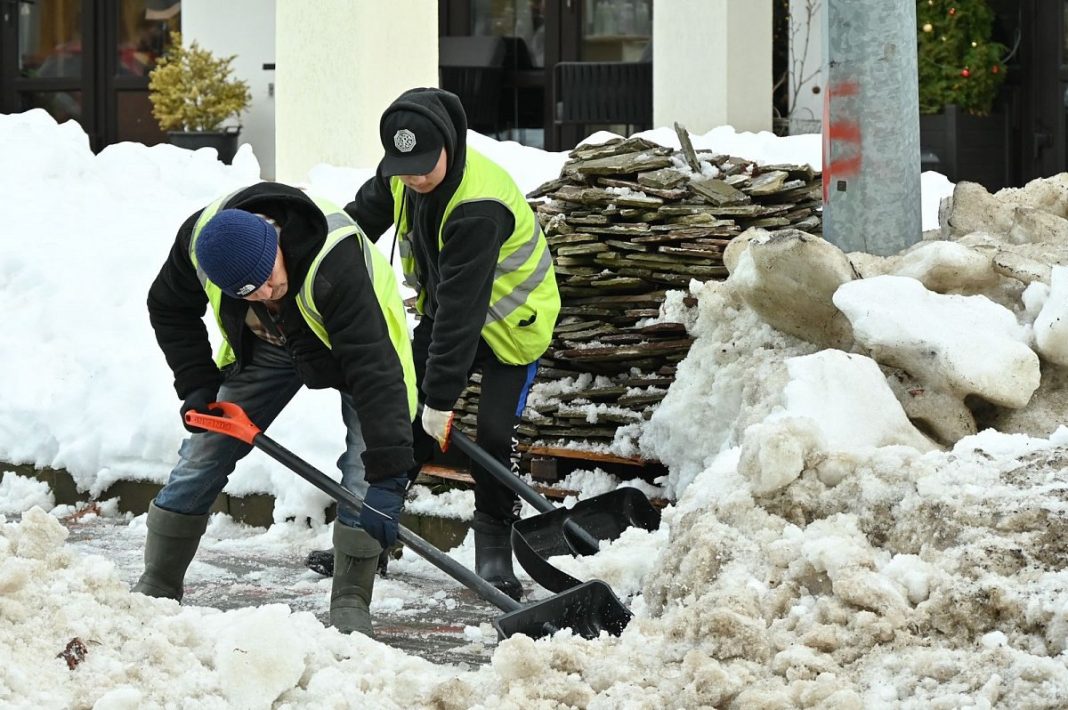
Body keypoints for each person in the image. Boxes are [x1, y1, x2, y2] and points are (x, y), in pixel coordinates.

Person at [138, 181, 418, 638]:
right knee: (207, 448)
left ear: (277, 243)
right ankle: (158, 581)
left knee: (364, 470)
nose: (267, 292)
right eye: (249, 291)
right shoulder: (201, 243)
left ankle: (350, 601)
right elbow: (168, 306)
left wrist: (389, 477)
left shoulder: (334, 261)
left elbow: (374, 368)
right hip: (268, 345)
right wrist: (196, 384)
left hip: (352, 344)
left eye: (269, 278)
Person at [342, 87, 560, 600]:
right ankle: (374, 534)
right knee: (400, 417)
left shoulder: (479, 207)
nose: (415, 177)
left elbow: (463, 317)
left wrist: (440, 401)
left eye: (424, 164)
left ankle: (493, 551)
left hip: (512, 325)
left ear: (452, 144)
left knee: (491, 435)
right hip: (449, 315)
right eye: (404, 165)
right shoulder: (400, 175)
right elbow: (354, 228)